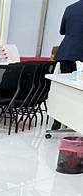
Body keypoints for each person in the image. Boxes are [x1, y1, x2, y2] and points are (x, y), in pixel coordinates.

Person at [52, 0, 83, 130]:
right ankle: (76, 120)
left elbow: (62, 31)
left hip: (67, 51)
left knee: (63, 88)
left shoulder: (70, 8)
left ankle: (58, 120)